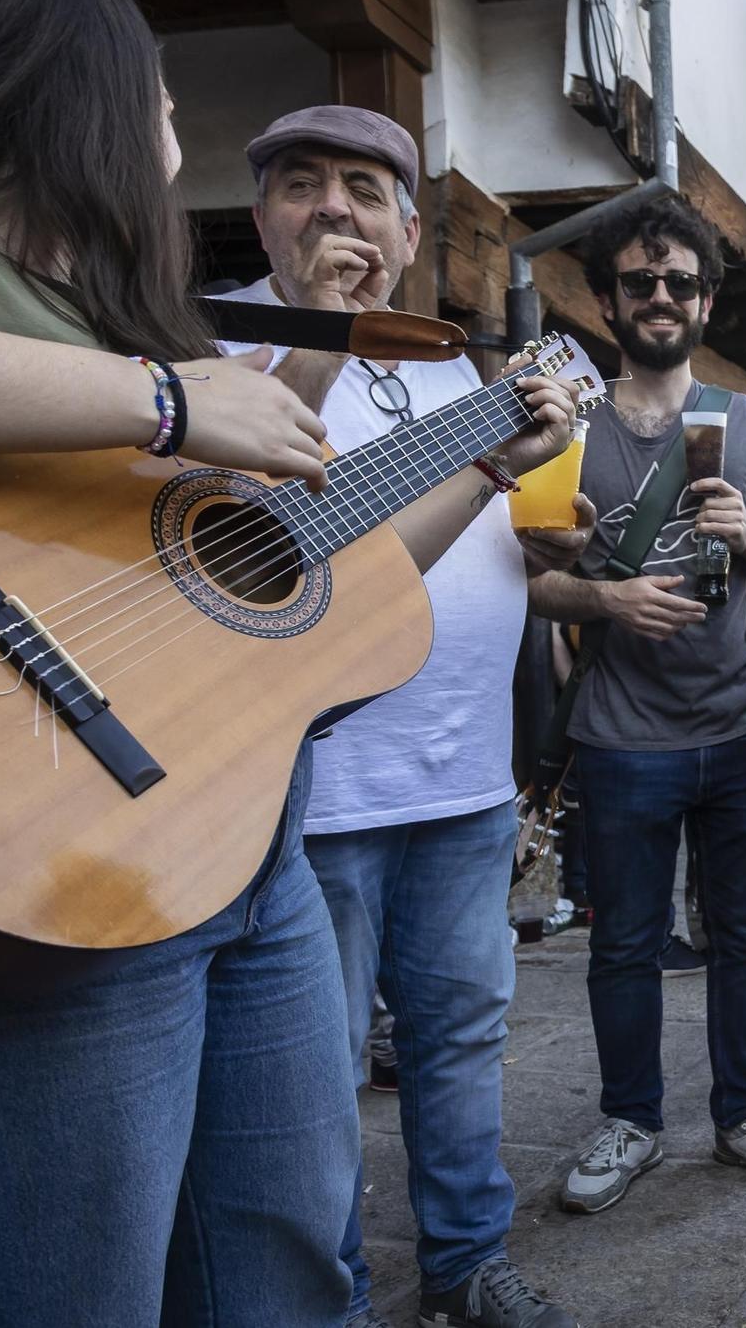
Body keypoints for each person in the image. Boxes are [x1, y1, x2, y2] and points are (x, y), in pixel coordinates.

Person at [0, 4, 576, 1323]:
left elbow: (279, 550)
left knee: (287, 1251)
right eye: (167, 108)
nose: (177, 138)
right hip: (91, 847)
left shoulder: (112, 311)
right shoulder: (72, 321)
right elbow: (193, 430)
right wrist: (178, 397)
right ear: (83, 106)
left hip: (253, 841)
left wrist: (482, 455)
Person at [214, 105, 588, 1328]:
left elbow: (478, 546)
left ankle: (466, 1262)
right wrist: (315, 329)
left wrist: (542, 497)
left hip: (464, 777)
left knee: (461, 1038)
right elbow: (248, 528)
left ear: (412, 226)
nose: (336, 210)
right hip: (318, 793)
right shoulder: (223, 342)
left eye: (366, 192)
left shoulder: (441, 358)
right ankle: (339, 1292)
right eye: (304, 185)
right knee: (308, 1081)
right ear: (262, 214)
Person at [527, 193, 746, 1214]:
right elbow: (520, 579)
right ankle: (631, 1122)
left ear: (705, 299)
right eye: (639, 282)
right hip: (621, 736)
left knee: (744, 937)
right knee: (624, 940)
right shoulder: (565, 431)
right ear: (608, 298)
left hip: (742, 726)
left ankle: (743, 1112)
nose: (660, 298)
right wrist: (602, 593)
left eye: (680, 283)